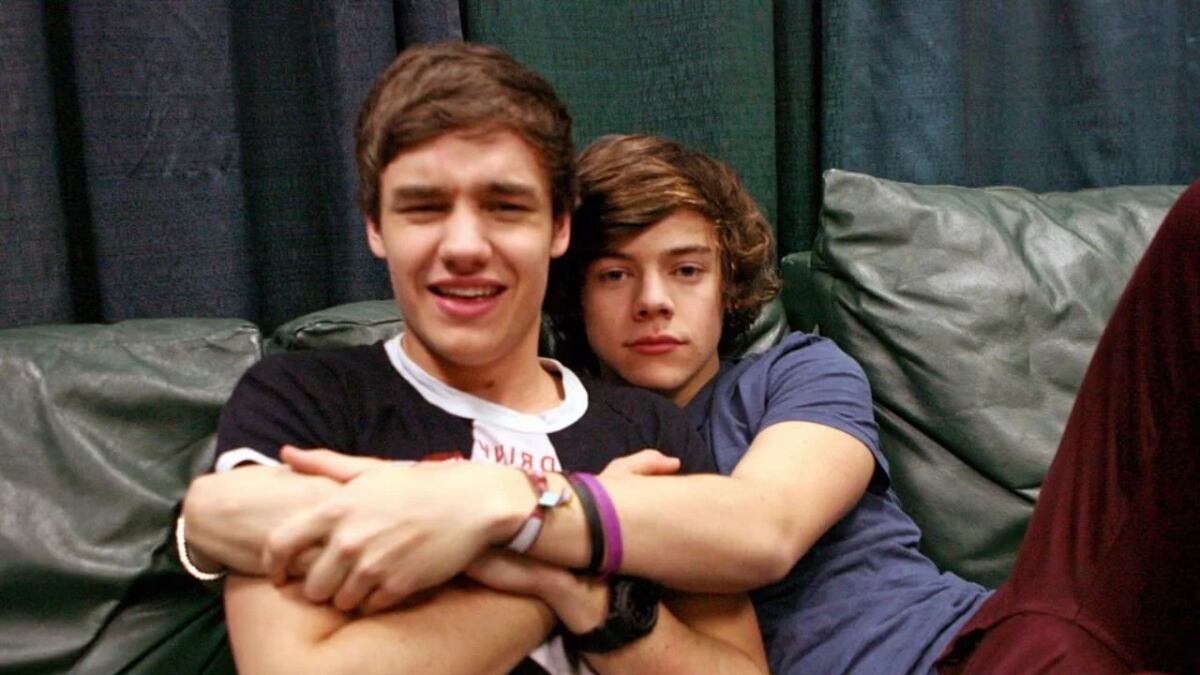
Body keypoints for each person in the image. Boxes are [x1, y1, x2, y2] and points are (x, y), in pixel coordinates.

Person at [263, 132, 1199, 673]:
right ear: (570, 295)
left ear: (729, 284)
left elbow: (767, 527)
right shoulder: (560, 430)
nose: (654, 302)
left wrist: (511, 506)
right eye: (614, 274)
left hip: (982, 645)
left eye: (686, 270)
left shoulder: (798, 371)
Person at [179, 45, 767, 674]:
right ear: (375, 226)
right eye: (424, 207)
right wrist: (562, 573)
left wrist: (571, 584)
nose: (464, 246)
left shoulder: (649, 433)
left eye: (505, 207)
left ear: (559, 227)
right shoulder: (302, 403)